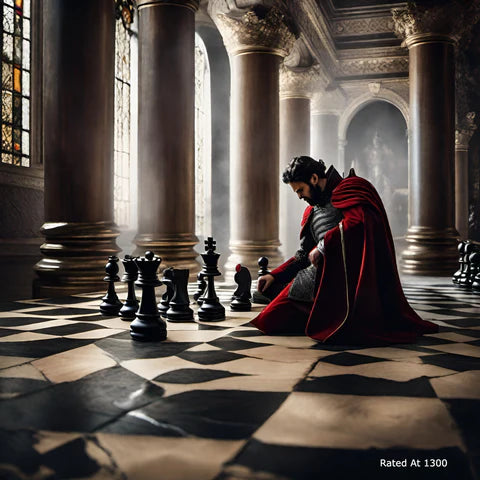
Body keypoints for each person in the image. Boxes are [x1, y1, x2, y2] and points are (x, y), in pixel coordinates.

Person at [251, 156, 438, 345]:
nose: (299, 196)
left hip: (351, 281)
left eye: (300, 190)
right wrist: (274, 276)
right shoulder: (312, 211)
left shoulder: (352, 188)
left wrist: (323, 246)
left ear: (314, 179)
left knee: (290, 320)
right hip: (316, 278)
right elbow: (302, 255)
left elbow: (357, 223)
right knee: (269, 319)